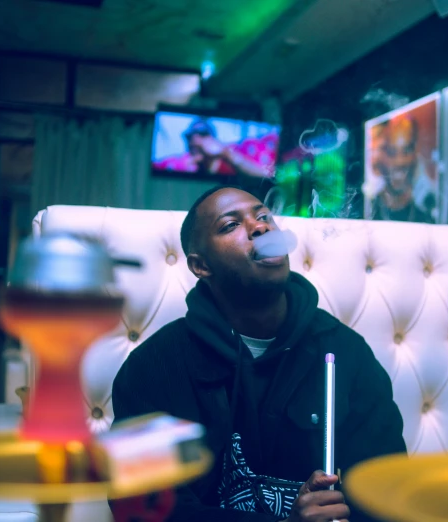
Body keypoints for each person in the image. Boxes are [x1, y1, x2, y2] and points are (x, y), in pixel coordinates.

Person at [111, 186, 407, 522]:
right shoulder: (152, 368)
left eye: (264, 216)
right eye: (230, 225)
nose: (261, 228)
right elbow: (139, 509)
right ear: (201, 265)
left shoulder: (345, 354)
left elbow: (387, 491)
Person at [369, 116, 436, 223]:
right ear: (379, 156)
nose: (400, 161)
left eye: (407, 150)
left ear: (415, 154)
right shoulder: (366, 210)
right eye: (391, 151)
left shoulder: (426, 220)